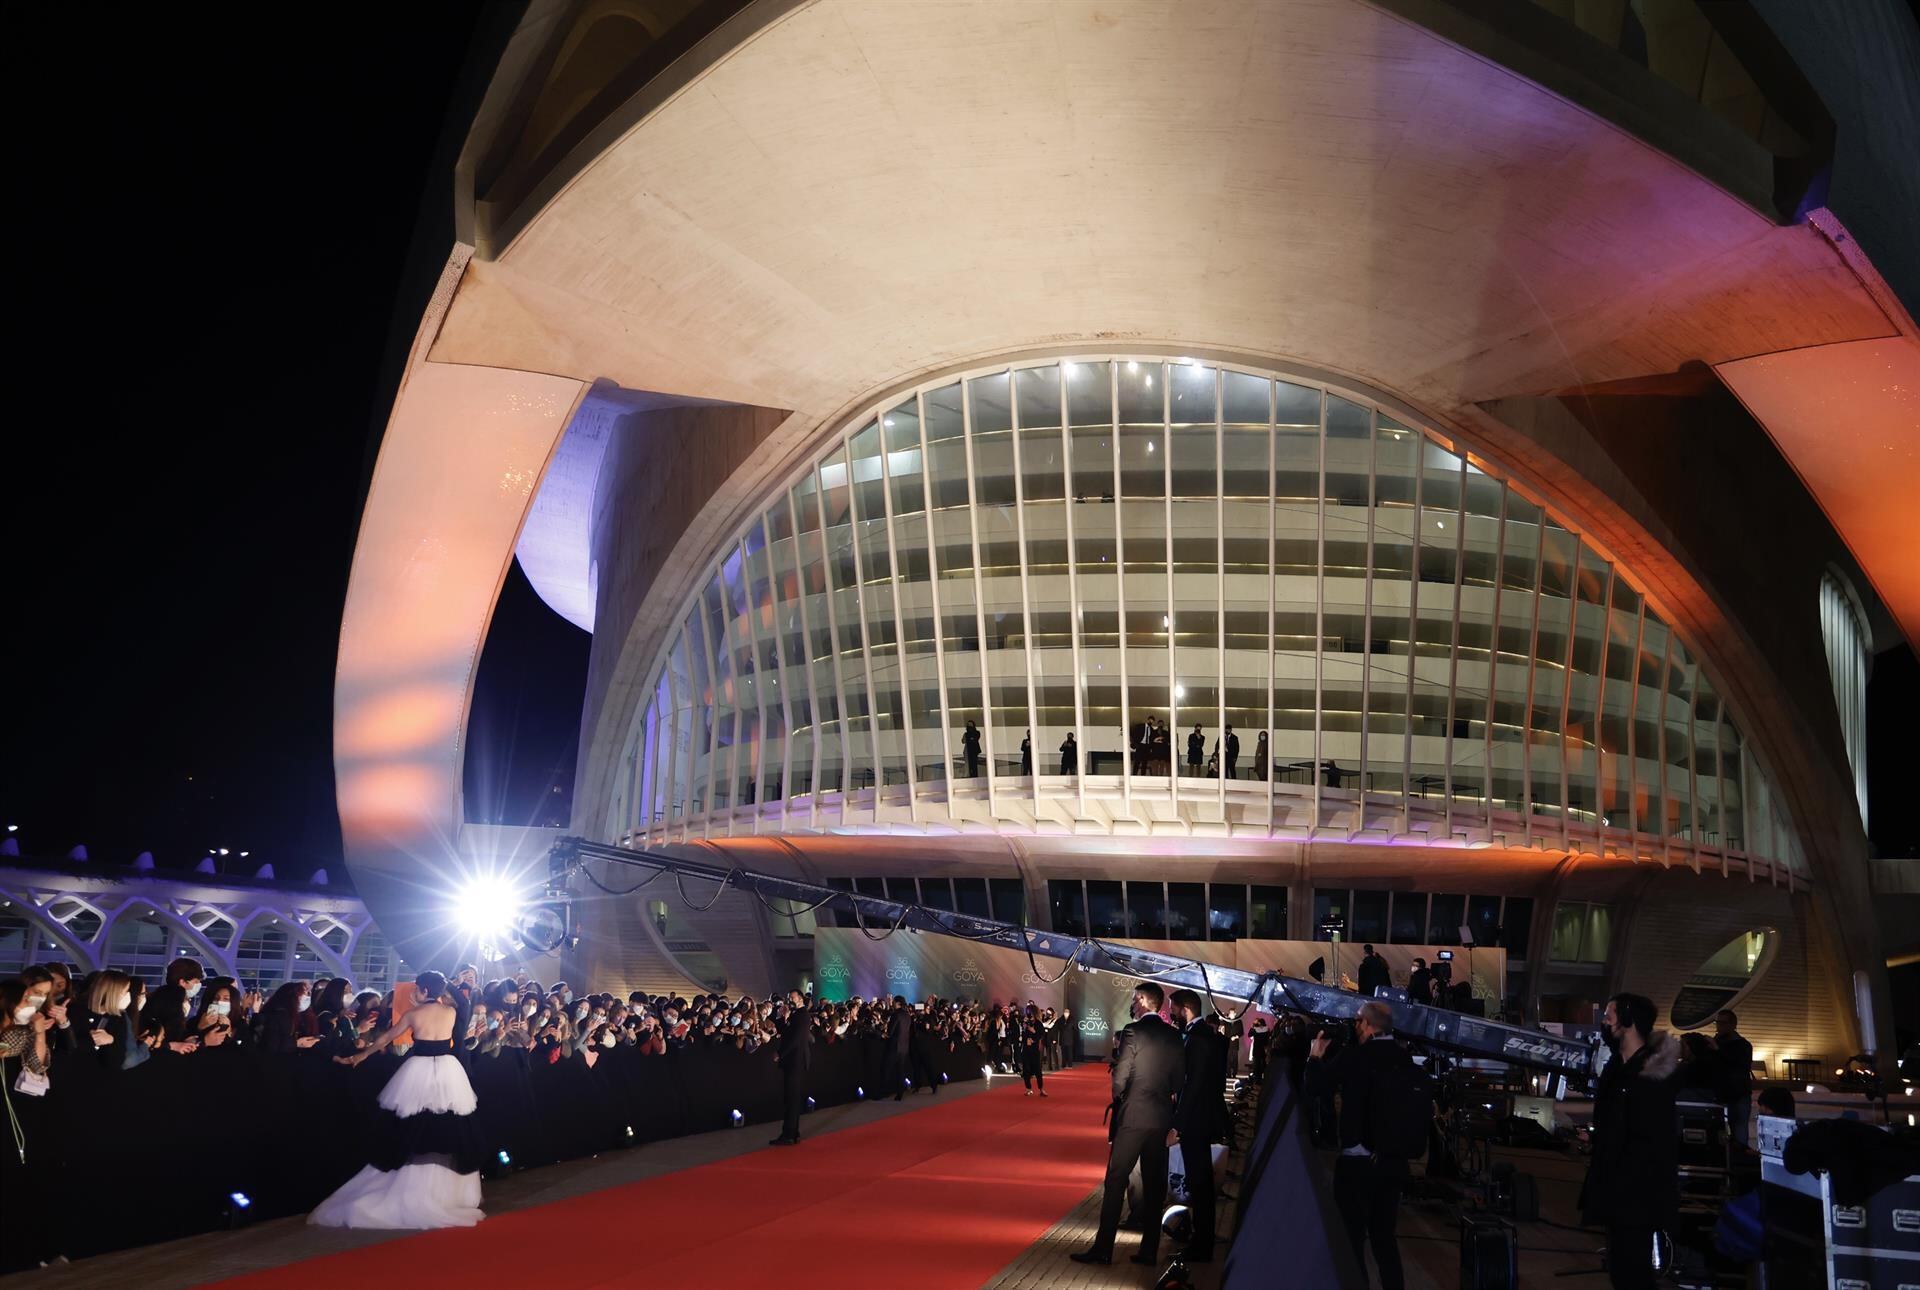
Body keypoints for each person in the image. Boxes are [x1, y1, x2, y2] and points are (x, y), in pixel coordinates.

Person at [311, 970, 484, 1229]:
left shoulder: (413, 1014)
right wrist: (453, 984)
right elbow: (461, 1004)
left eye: (417, 989)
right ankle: (448, 1192)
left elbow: (386, 1037)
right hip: (449, 1071)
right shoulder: (451, 1011)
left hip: (420, 1069)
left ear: (423, 991)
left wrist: (361, 1055)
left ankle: (412, 1184)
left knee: (411, 1126)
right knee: (448, 1126)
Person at [1305, 1000, 1416, 1290]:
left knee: (1351, 1238)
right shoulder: (1406, 1060)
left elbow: (1317, 1087)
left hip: (1357, 1163)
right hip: (1394, 1162)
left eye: (1357, 1021)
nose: (1355, 1027)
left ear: (1367, 1025)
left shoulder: (1357, 1056)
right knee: (1384, 1238)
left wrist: (1315, 1057)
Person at [1071, 982, 1184, 1267]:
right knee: (1155, 1185)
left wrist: (1122, 1098)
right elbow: (1179, 1081)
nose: (1132, 1004)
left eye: (1135, 999)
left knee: (1116, 1180)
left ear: (1145, 1001)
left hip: (1133, 1116)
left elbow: (1119, 1078)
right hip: (1160, 1117)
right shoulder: (1174, 1035)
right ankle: (1148, 1252)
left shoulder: (1133, 1031)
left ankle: (1103, 1249)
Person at [1578, 992, 1680, 1290]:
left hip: (1637, 1192)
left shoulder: (1651, 1074)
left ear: (1627, 1021)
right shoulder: (1617, 1070)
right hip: (1615, 1187)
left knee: (1633, 1270)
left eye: (1609, 1016)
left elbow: (1652, 1139)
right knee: (1620, 1268)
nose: (1604, 1023)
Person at [1169, 990, 1229, 1262]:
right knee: (1200, 1183)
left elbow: (1192, 1086)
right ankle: (1201, 1241)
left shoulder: (1197, 1039)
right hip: (1202, 1119)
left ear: (1185, 1009)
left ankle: (1201, 1245)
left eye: (1174, 1009)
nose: (1172, 1015)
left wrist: (1177, 1125)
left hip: (1196, 1121)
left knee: (1200, 1183)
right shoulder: (1206, 1036)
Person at [770, 989, 813, 1145]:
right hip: (793, 1060)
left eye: (793, 997)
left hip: (796, 1061)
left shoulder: (802, 1015)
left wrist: (780, 1054)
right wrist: (782, 1017)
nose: (790, 1000)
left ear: (800, 999)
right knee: (790, 1098)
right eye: (789, 997)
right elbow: (785, 1032)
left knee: (792, 1098)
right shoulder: (795, 1014)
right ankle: (791, 1132)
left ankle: (789, 1134)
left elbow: (794, 1039)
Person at [1711, 1009, 1754, 1149]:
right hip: (1721, 1093)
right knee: (1720, 1133)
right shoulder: (1716, 1043)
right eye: (1717, 1023)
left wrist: (1717, 1049)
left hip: (1738, 1094)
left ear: (1733, 1024)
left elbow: (1739, 1065)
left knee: (1739, 1133)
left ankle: (1739, 1162)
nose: (1719, 1026)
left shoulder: (1743, 1045)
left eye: (1723, 1023)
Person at [144, 957, 205, 1048]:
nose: (198, 985)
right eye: (196, 982)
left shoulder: (161, 995)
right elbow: (172, 1034)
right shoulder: (171, 1003)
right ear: (182, 982)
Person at [883, 995, 913, 1100]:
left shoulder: (896, 1015)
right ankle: (900, 1093)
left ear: (897, 1003)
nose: (892, 1004)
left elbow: (890, 1032)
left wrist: (885, 1031)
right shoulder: (907, 1015)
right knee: (901, 1071)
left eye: (893, 1002)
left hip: (895, 1046)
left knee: (887, 1069)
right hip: (904, 1047)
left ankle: (885, 1092)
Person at [1019, 1003, 1049, 1097]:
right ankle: (1028, 1088)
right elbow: (1021, 1036)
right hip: (1026, 1050)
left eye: (1030, 1012)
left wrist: (1033, 1034)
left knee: (1037, 1070)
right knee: (1026, 1070)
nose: (1028, 1014)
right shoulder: (1024, 1023)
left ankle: (1041, 1089)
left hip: (1034, 1050)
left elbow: (1041, 1034)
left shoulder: (1038, 1023)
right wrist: (1026, 1039)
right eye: (1027, 1012)